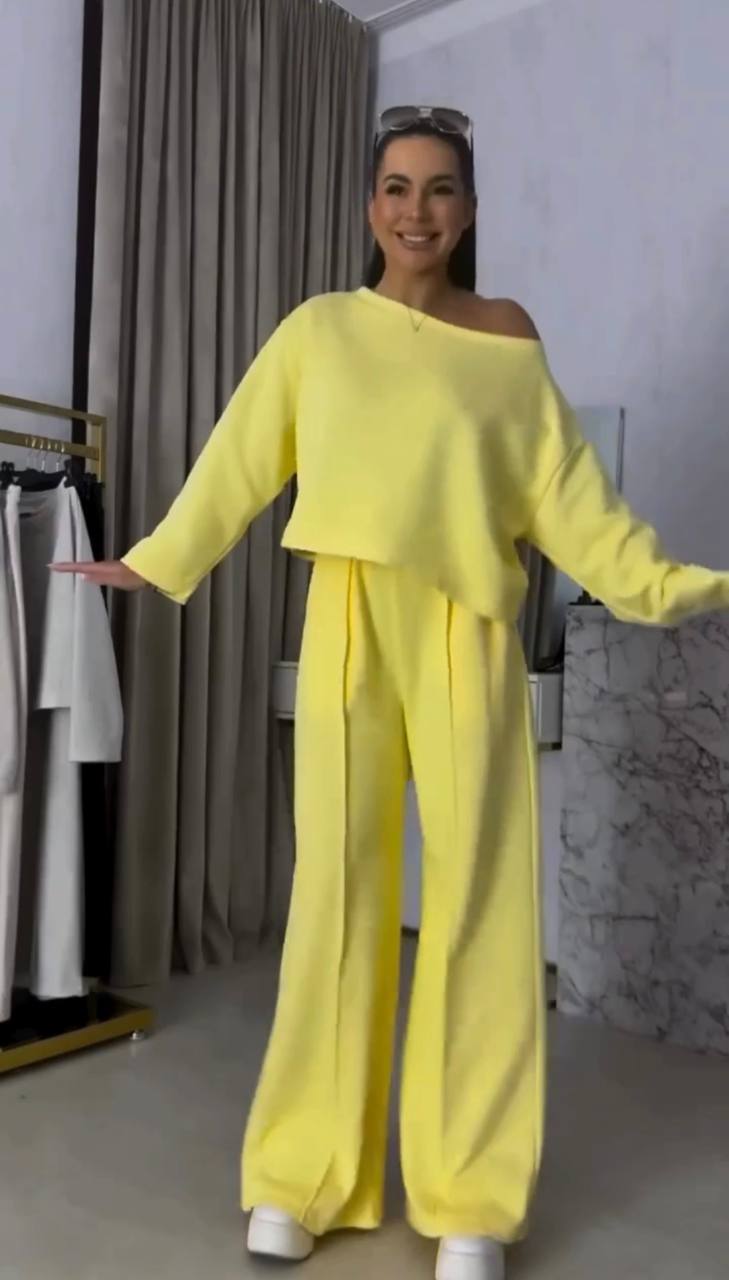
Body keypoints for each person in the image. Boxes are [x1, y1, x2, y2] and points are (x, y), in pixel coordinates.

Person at [53, 106, 729, 1280]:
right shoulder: (319, 330)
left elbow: (572, 500)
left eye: (441, 188)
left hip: (471, 628)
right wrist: (158, 558)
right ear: (371, 205)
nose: (418, 209)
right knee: (339, 892)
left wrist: (678, 585)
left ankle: (472, 1196)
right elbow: (242, 454)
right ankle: (302, 1173)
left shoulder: (508, 338)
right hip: (349, 617)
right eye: (399, 186)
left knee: (480, 902)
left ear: (469, 211)